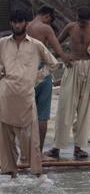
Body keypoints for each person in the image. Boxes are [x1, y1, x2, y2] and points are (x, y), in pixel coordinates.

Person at [0, 9, 59, 178]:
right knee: (5, 136)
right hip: (5, 95)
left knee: (31, 137)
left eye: (20, 22)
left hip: (26, 95)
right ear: (11, 23)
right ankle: (10, 172)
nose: (16, 25)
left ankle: (37, 173)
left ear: (26, 23)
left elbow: (53, 64)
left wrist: (37, 77)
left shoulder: (35, 45)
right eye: (14, 22)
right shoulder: (2, 43)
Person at [46, 6, 90, 160]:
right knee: (65, 107)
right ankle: (56, 147)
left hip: (89, 66)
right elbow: (55, 42)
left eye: (83, 22)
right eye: (79, 21)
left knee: (85, 109)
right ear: (77, 18)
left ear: (88, 20)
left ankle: (79, 148)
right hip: (73, 66)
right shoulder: (71, 27)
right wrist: (63, 55)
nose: (81, 24)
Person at [26, 6, 69, 151]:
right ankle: (38, 151)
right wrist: (68, 60)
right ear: (47, 16)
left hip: (25, 71)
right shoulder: (45, 28)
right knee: (42, 114)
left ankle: (26, 152)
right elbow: (58, 50)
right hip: (42, 71)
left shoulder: (26, 26)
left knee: (26, 112)